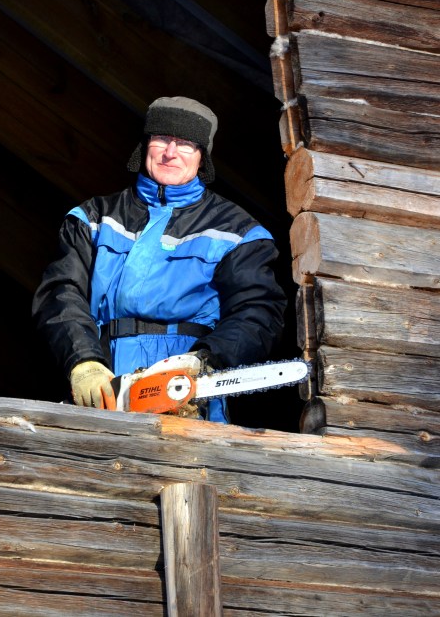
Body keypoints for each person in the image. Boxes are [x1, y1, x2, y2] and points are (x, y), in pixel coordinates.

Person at [32, 96, 286, 423]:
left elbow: (258, 311)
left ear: (202, 157)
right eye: (162, 139)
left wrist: (207, 360)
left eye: (186, 144)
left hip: (189, 387)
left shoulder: (239, 232)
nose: (170, 152)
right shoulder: (93, 218)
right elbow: (61, 292)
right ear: (145, 145)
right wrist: (83, 361)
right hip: (106, 380)